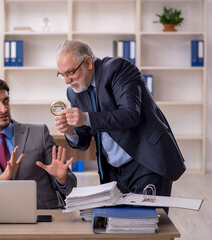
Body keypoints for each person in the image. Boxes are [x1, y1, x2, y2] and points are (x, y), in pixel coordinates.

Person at [54, 40, 186, 203]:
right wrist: (70, 131)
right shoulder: (74, 92)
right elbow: (84, 140)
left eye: (70, 72)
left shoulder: (117, 69)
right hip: (113, 172)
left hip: (145, 161)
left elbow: (130, 114)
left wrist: (86, 118)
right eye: (62, 75)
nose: (67, 80)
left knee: (146, 223)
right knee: (119, 225)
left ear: (88, 63)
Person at [0, 77, 77, 209]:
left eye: (6, 101)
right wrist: (2, 179)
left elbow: (71, 188)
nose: (3, 109)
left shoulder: (39, 133)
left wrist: (62, 179)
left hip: (41, 217)